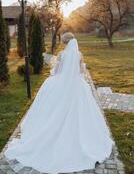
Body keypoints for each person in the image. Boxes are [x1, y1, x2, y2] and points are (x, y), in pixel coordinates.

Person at [4, 32, 114, 174]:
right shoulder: (79, 55)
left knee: (53, 108)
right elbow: (81, 71)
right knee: (80, 111)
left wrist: (53, 73)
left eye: (62, 41)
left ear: (65, 42)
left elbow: (57, 71)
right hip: (77, 86)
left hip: (60, 84)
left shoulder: (62, 54)